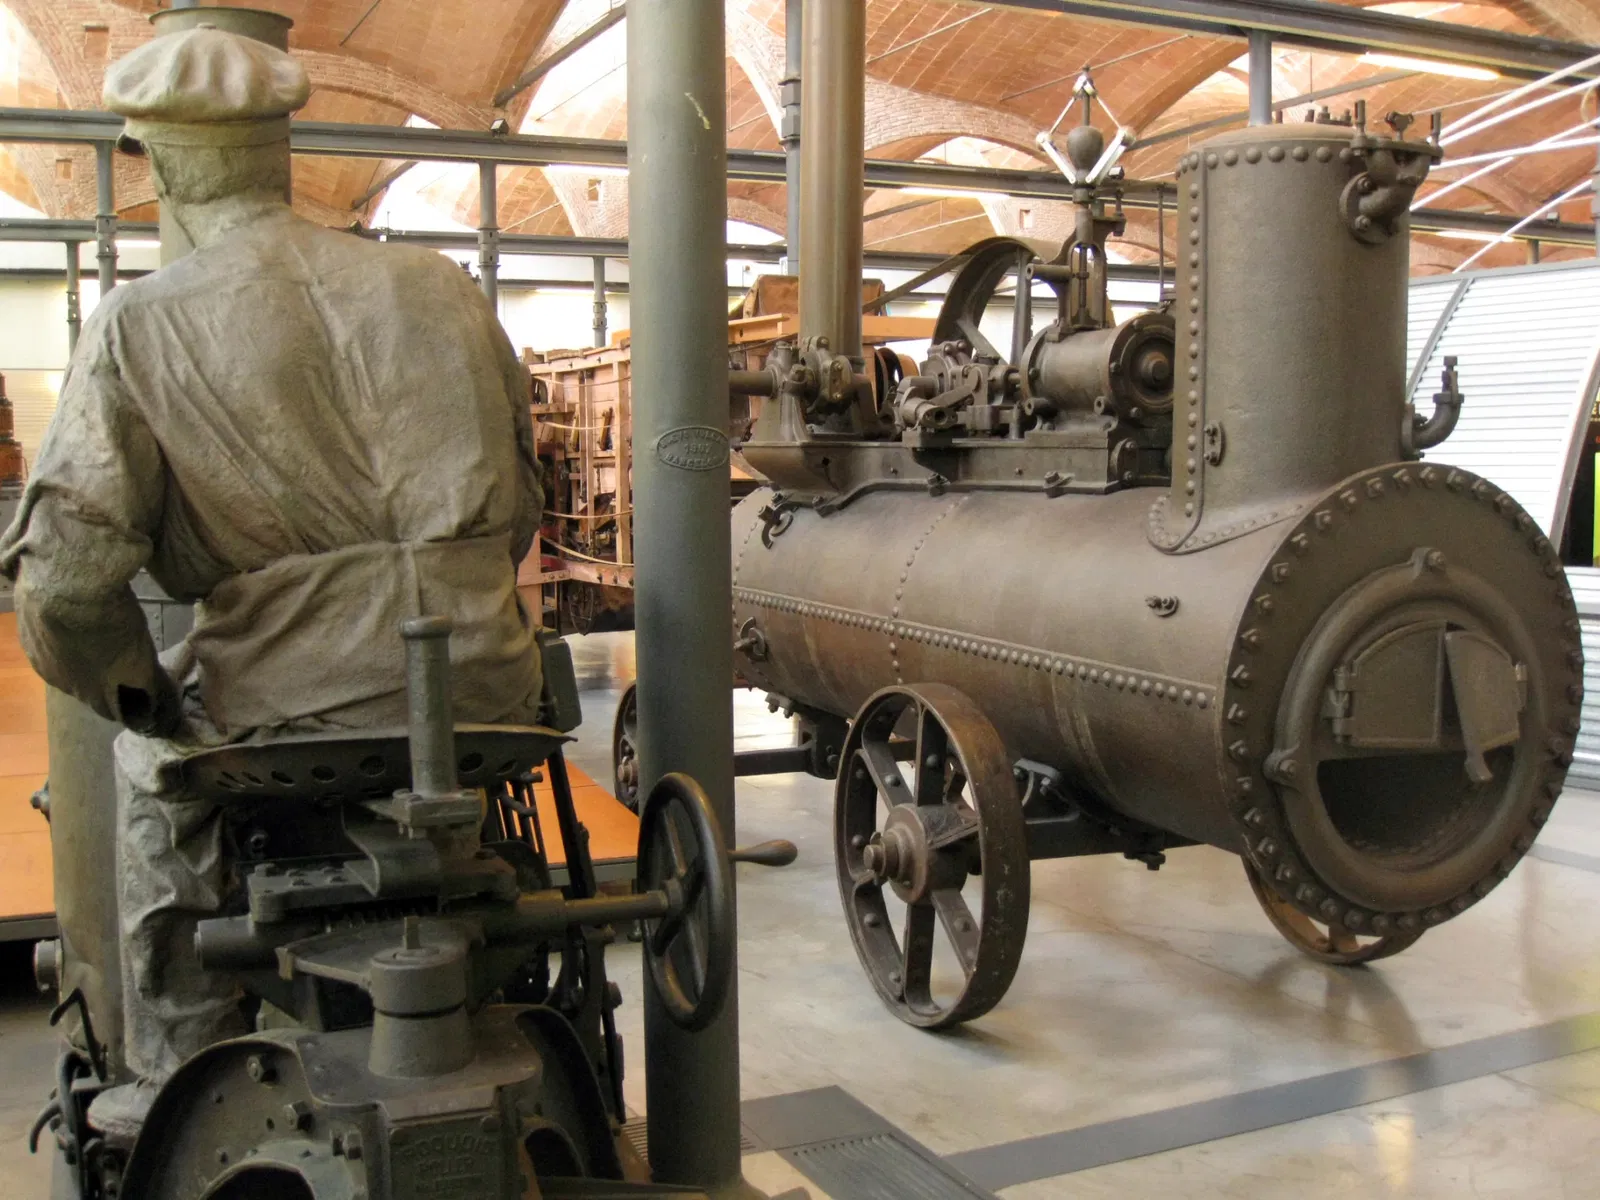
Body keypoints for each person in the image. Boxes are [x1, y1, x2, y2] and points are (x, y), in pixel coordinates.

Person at [0, 28, 544, 1142]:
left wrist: (141, 690)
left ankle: (172, 1072)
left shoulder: (144, 323)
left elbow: (60, 590)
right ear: (278, 148)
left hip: (291, 711)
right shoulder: (438, 284)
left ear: (163, 160)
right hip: (487, 690)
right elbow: (524, 496)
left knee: (151, 770)